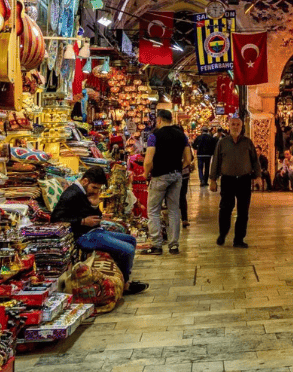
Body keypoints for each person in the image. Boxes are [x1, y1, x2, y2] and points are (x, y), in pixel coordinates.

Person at [51, 166, 148, 295]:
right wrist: (83, 221)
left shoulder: (84, 193)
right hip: (84, 236)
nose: (96, 191)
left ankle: (122, 277)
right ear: (85, 181)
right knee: (128, 249)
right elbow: (55, 218)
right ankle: (125, 285)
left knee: (131, 240)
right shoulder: (72, 193)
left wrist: (95, 205)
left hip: (95, 231)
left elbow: (92, 214)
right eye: (94, 188)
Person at [144, 109, 192, 255]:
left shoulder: (154, 136)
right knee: (173, 210)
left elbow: (148, 160)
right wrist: (178, 167)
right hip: (176, 176)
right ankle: (174, 245)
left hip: (159, 176)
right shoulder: (182, 135)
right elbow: (188, 159)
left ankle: (157, 245)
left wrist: (146, 173)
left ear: (159, 120)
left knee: (153, 211)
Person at [209, 116, 261, 247]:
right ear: (229, 126)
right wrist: (213, 179)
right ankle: (223, 234)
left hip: (244, 180)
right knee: (225, 209)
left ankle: (239, 239)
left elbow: (255, 160)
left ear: (242, 126)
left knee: (243, 211)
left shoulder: (248, 142)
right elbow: (216, 161)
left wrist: (258, 176)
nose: (235, 127)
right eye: (233, 124)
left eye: (238, 124)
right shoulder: (222, 143)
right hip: (228, 180)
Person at [173, 124, 192, 228]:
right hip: (183, 174)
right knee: (182, 196)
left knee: (172, 197)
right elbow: (190, 158)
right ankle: (184, 219)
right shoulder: (184, 141)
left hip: (171, 172)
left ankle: (174, 220)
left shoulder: (169, 142)